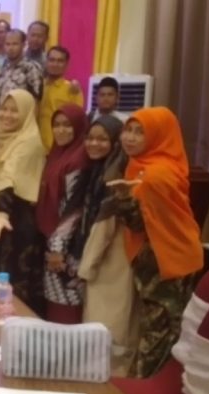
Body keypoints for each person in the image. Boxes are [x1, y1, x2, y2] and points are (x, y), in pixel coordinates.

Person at [114, 107, 203, 378]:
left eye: (140, 132)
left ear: (158, 136)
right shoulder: (144, 166)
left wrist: (122, 198)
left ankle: (145, 392)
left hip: (167, 261)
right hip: (166, 257)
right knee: (160, 328)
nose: (130, 137)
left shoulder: (155, 176)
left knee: (160, 332)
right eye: (128, 130)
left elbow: (140, 223)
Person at [72, 115, 135, 373]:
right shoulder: (96, 171)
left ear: (114, 142)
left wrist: (85, 269)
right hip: (102, 262)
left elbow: (105, 229)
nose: (94, 144)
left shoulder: (115, 176)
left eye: (102, 139)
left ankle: (109, 392)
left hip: (112, 264)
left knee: (107, 335)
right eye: (90, 138)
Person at [0, 90, 47, 316]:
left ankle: (14, 334)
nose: (7, 115)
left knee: (13, 290)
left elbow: (10, 176)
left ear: (27, 113)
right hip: (2, 219)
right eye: (4, 109)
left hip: (16, 222)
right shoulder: (6, 138)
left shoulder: (28, 142)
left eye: (14, 111)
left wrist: (1, 214)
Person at [37, 105, 90, 324]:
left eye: (68, 125)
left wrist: (58, 248)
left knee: (65, 309)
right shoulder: (57, 154)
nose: (61, 130)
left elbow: (73, 209)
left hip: (67, 248)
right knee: (55, 306)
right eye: (57, 125)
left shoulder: (78, 159)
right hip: (53, 240)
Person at [38, 46, 84, 148]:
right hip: (37, 145)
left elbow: (77, 121)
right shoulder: (38, 85)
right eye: (52, 60)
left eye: (60, 61)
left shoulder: (72, 89)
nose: (55, 64)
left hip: (59, 146)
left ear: (66, 64)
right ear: (46, 62)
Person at [0, 30, 44, 102]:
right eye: (7, 44)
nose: (11, 48)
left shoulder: (32, 67)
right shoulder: (4, 66)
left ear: (23, 45)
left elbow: (37, 98)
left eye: (15, 44)